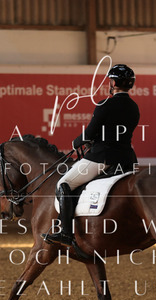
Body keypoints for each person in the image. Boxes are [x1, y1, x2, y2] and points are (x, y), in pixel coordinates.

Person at [43, 64, 140, 247]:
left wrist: (77, 142)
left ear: (113, 83)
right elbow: (114, 133)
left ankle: (66, 232)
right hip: (127, 160)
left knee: (64, 184)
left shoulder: (105, 104)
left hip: (103, 158)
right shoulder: (134, 107)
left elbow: (89, 133)